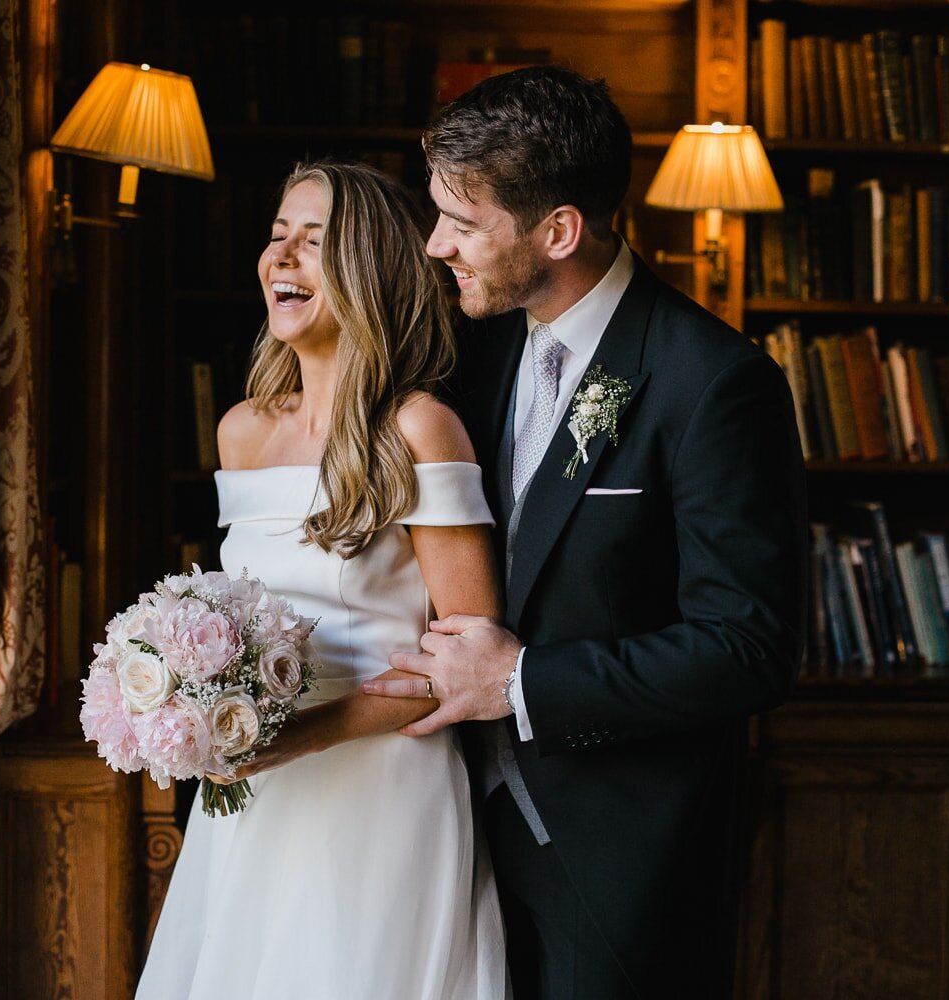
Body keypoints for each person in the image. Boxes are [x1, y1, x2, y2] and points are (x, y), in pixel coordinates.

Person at [363, 66, 809, 999]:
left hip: (614, 860)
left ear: (558, 230)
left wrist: (519, 680)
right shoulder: (469, 356)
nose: (437, 244)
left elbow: (748, 649)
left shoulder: (715, 383)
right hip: (441, 837)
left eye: (464, 221)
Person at [135, 161, 508, 1000]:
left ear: (369, 270)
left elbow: (467, 667)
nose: (282, 258)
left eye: (314, 241)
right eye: (276, 238)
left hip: (382, 791)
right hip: (254, 800)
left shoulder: (419, 427)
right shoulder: (241, 431)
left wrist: (297, 738)